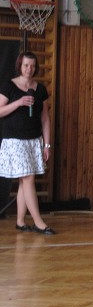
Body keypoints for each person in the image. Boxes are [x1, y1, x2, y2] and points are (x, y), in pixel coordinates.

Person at [0, 51, 55, 235]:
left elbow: (45, 118)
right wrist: (18, 103)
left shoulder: (40, 89)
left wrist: (46, 144)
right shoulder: (9, 86)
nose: (29, 69)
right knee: (28, 178)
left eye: (32, 66)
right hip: (14, 141)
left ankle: (20, 221)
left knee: (26, 181)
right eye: (26, 65)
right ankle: (39, 223)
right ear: (20, 66)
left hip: (34, 140)